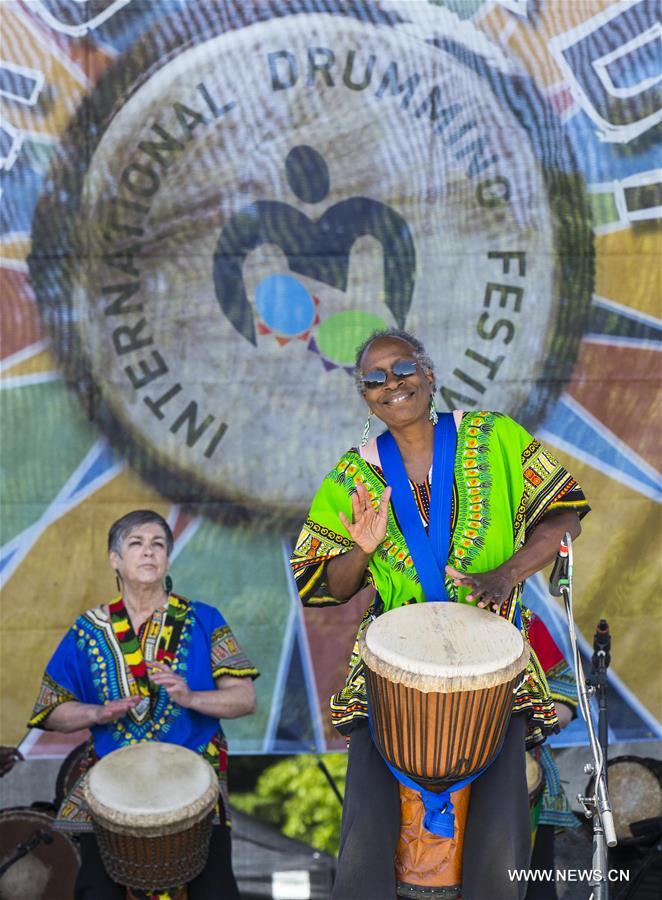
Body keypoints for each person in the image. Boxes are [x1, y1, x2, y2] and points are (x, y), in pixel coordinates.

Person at [290, 328, 590, 900]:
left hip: (495, 665)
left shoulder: (494, 437)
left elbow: (564, 520)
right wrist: (363, 545)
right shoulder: (353, 474)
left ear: (428, 374)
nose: (391, 385)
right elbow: (327, 586)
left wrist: (506, 574)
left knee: (500, 846)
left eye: (402, 370)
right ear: (364, 397)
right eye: (373, 379)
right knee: (364, 846)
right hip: (390, 673)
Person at [28, 509, 259, 900]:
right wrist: (97, 713)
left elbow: (244, 699)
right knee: (95, 892)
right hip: (110, 793)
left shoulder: (203, 619)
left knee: (215, 891)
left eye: (158, 544)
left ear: (167, 557)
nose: (148, 552)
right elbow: (51, 710)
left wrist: (190, 697)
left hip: (195, 787)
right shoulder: (87, 630)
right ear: (114, 559)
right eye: (135, 543)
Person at [527, 611, 581, 900]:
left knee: (533, 887)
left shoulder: (525, 622)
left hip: (524, 776)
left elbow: (564, 702)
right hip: (425, 778)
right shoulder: (408, 614)